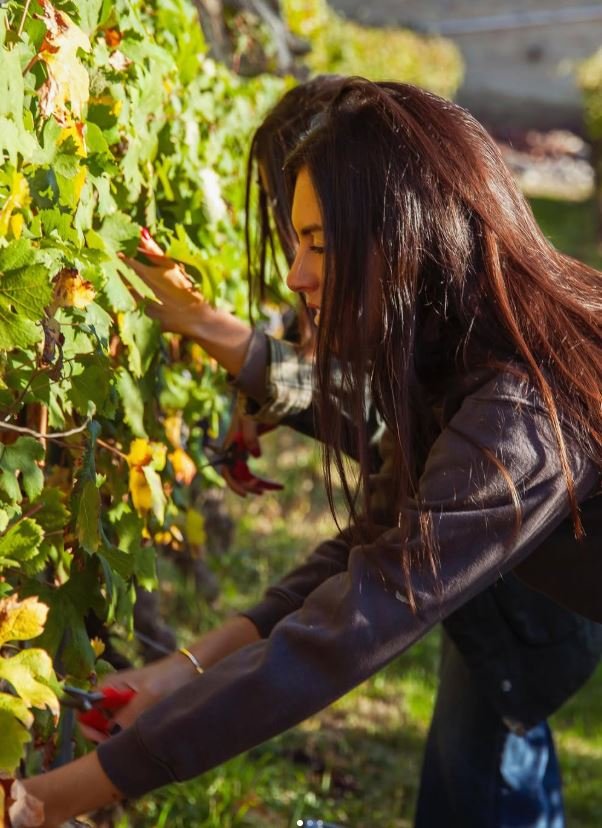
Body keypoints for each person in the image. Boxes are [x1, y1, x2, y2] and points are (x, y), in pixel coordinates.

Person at [17, 78, 601, 828]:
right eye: (296, 242)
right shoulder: (458, 357)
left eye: (320, 244)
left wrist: (46, 801)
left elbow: (345, 632)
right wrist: (179, 674)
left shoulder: (516, 413)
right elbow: (370, 548)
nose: (295, 276)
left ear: (407, 235)